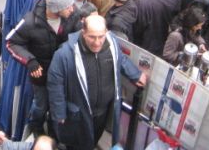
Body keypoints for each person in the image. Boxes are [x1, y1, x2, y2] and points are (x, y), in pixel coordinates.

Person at [47, 15, 146, 150]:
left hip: (102, 113)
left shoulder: (112, 43)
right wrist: (59, 112)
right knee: (77, 145)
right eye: (92, 37)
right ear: (83, 33)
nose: (97, 42)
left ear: (106, 33)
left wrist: (135, 74)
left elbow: (120, 59)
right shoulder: (64, 54)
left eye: (101, 36)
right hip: (78, 115)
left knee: (93, 140)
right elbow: (55, 83)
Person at [6, 0, 80, 135]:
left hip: (64, 73)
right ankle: (36, 127)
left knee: (58, 105)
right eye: (68, 7)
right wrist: (30, 61)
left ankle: (54, 132)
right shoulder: (30, 22)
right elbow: (11, 42)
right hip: (42, 75)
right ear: (55, 8)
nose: (72, 9)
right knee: (41, 106)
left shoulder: (73, 16)